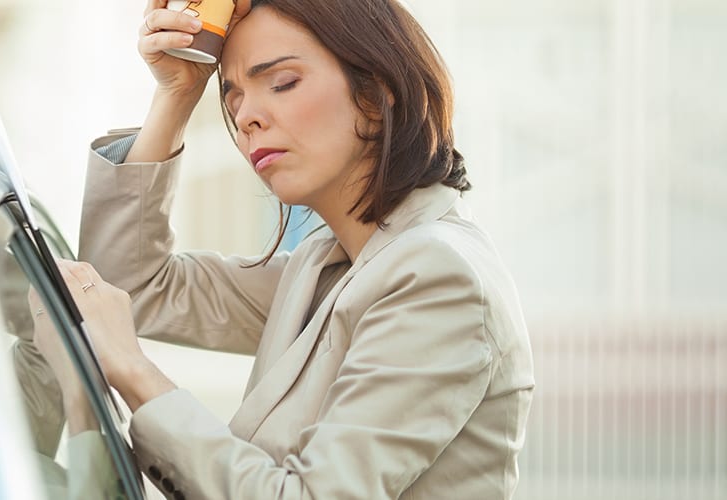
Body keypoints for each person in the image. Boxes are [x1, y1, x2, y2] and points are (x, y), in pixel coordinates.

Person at [33, 0, 535, 497]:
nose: (248, 116)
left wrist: (134, 372)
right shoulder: (328, 262)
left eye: (282, 83)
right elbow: (130, 286)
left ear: (377, 92)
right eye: (232, 101)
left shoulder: (437, 276)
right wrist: (179, 92)